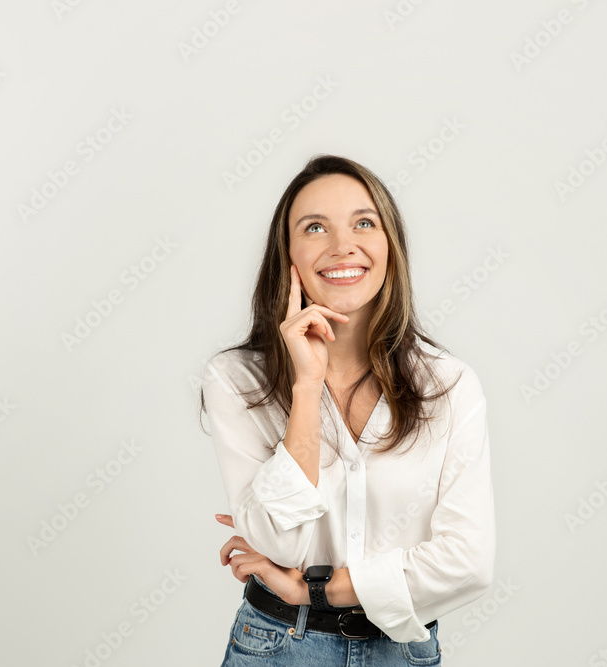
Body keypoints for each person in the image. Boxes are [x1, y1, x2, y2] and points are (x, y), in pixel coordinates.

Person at [199, 154, 495, 666]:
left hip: (401, 651)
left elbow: (468, 563)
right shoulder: (238, 380)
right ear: (286, 253)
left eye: (364, 222)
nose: (343, 246)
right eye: (315, 227)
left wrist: (319, 592)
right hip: (277, 648)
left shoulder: (449, 385)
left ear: (390, 246)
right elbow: (283, 543)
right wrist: (307, 385)